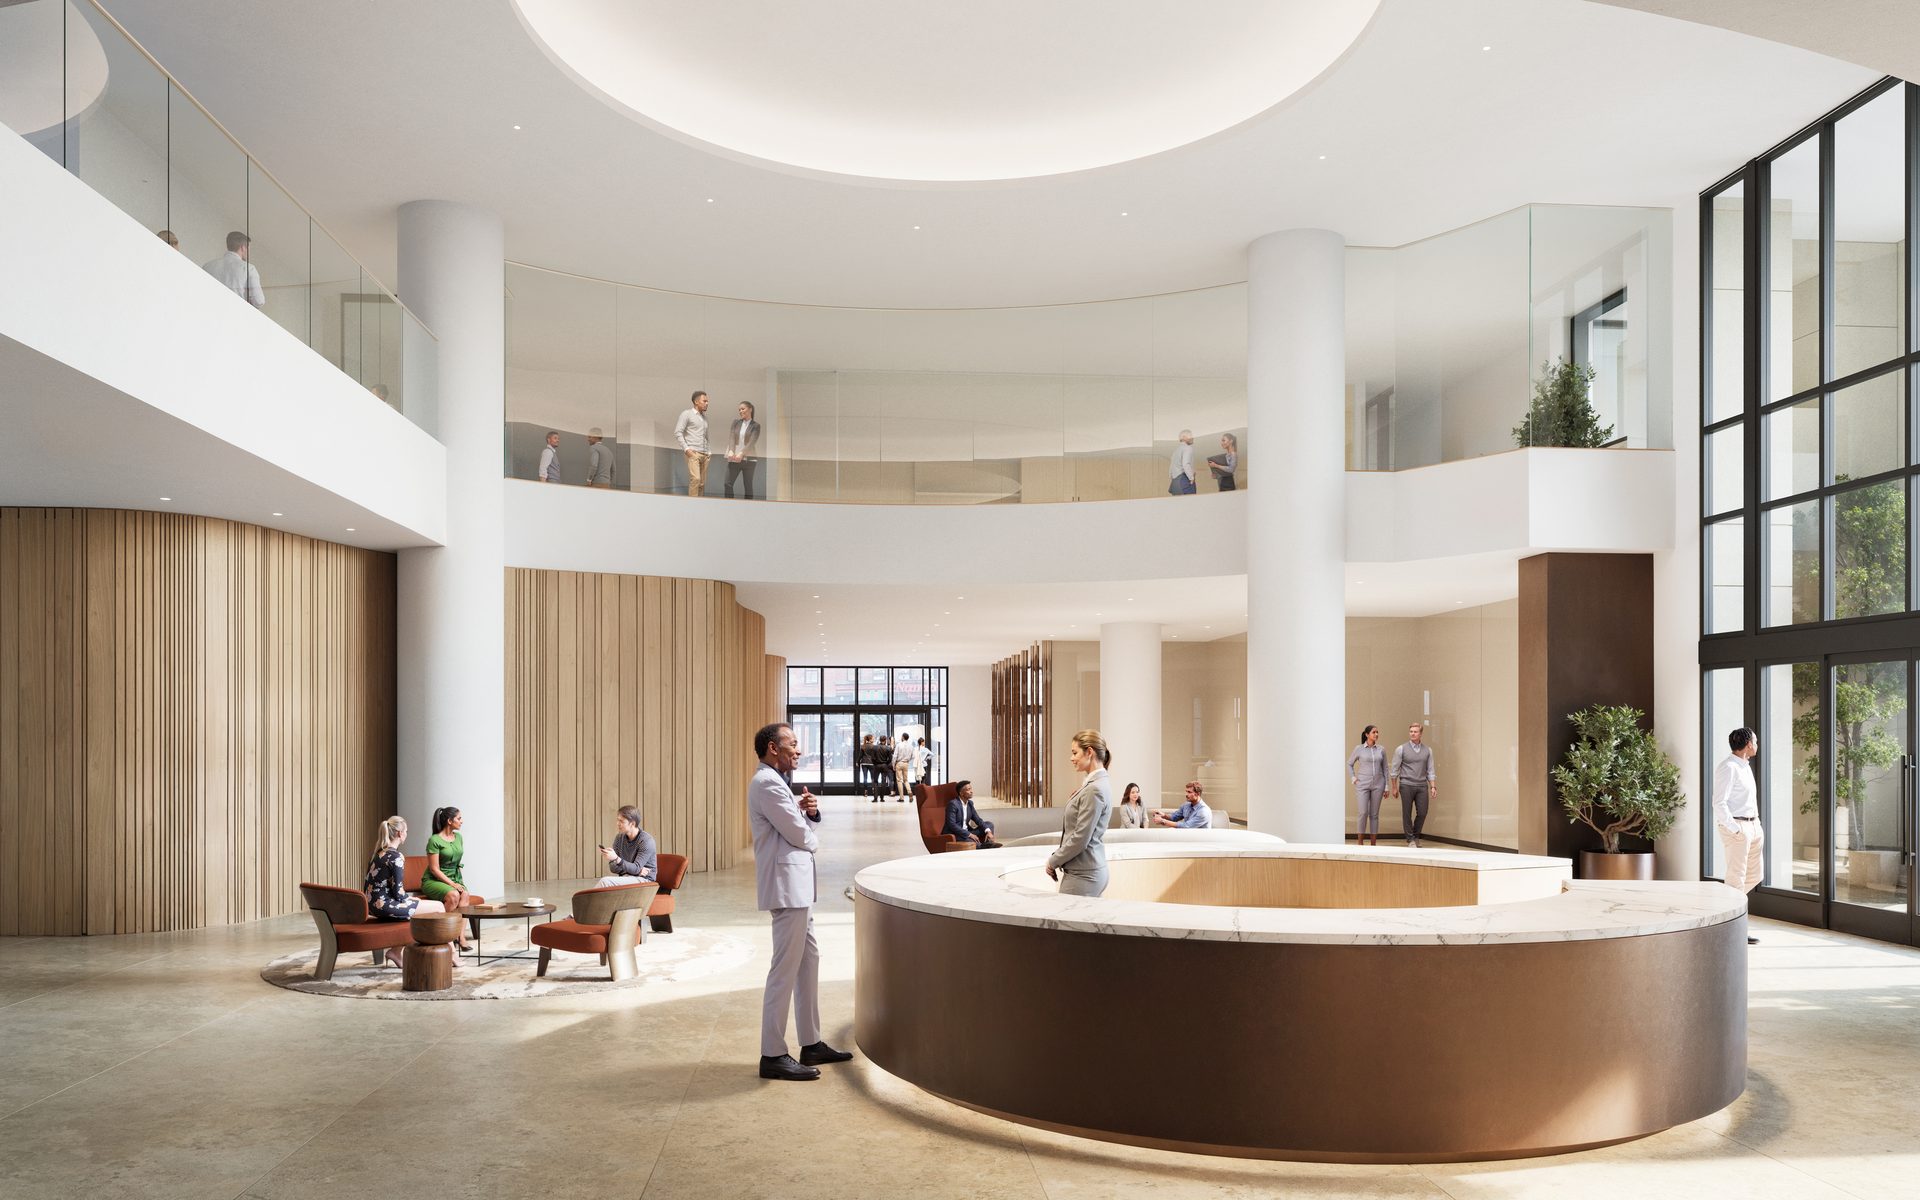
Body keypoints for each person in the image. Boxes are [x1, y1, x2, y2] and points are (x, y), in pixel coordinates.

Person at [749, 721, 852, 1081]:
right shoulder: (767, 784)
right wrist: (809, 829)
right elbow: (800, 836)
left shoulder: (776, 783)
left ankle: (811, 1042)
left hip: (797, 888)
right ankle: (773, 1054)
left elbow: (796, 825)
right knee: (784, 969)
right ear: (772, 748)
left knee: (809, 962)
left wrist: (808, 813)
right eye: (792, 743)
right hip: (787, 888)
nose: (799, 749)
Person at [363, 816, 452, 965]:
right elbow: (398, 892)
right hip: (385, 906)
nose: (406, 834)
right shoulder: (396, 856)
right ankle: (450, 954)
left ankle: (396, 952)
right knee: (439, 907)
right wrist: (410, 899)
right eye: (406, 831)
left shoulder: (379, 853)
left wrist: (409, 899)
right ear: (400, 833)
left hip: (373, 906)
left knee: (423, 907)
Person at [1712, 726, 1764, 946]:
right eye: (1756, 741)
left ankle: (1725, 907)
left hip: (1753, 826)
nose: (1757, 744)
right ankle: (1735, 930)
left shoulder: (1745, 766)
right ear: (1748, 744)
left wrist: (1756, 826)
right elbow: (1719, 802)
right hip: (1738, 827)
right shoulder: (1729, 767)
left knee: (1755, 875)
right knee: (1736, 879)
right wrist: (1735, 829)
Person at [1047, 729, 1113, 896]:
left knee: (1065, 914)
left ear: (1089, 752)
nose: (1071, 758)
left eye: (1075, 752)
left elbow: (1080, 838)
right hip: (1089, 871)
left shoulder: (1094, 789)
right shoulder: (1096, 784)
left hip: (1083, 875)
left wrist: (1054, 860)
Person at [1389, 723, 1437, 847]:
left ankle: (1415, 835)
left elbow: (1431, 770)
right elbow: (1394, 770)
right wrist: (1394, 787)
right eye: (1411, 731)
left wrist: (1433, 787)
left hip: (1422, 785)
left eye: (1415, 731)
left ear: (1420, 734)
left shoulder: (1428, 750)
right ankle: (1410, 839)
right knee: (1407, 813)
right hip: (1406, 785)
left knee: (1422, 812)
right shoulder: (1401, 749)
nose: (1412, 733)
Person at [420, 806, 474, 912]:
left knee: (465, 895)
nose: (461, 821)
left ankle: (460, 924)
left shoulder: (459, 837)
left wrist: (460, 883)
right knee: (454, 895)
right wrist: (453, 884)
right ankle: (442, 923)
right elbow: (434, 869)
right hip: (434, 880)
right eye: (459, 818)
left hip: (454, 879)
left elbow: (457, 864)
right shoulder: (434, 840)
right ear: (449, 821)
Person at [595, 804, 657, 887]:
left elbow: (634, 868)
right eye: (617, 820)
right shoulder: (619, 838)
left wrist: (616, 859)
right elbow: (613, 868)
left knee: (605, 881)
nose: (618, 823)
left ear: (632, 824)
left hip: (645, 880)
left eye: (621, 821)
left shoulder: (646, 841)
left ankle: (585, 896)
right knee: (606, 885)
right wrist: (636, 870)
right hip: (629, 877)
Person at [202, 230, 265, 309]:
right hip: (235, 312)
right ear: (243, 247)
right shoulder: (248, 268)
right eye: (248, 249)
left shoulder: (207, 266)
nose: (248, 252)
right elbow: (259, 301)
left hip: (209, 311)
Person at [1348, 724, 1387, 845]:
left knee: (1374, 814)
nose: (1376, 734)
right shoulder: (1359, 749)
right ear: (1367, 734)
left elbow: (1385, 768)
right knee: (1363, 812)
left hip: (1379, 784)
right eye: (1374, 732)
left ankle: (1373, 844)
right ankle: (1360, 843)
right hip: (1362, 785)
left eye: (1377, 732)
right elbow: (1349, 763)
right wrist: (1353, 778)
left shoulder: (1381, 749)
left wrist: (1386, 786)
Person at [676, 390, 712, 497]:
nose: (707, 403)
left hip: (705, 454)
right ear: (696, 402)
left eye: (707, 401)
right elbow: (678, 432)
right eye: (704, 401)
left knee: (701, 483)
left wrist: (709, 451)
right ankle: (691, 505)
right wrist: (686, 449)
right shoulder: (686, 414)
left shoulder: (705, 418)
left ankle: (699, 504)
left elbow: (705, 436)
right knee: (695, 479)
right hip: (693, 453)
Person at [943, 780, 999, 848]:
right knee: (973, 843)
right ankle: (983, 846)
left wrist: (988, 832)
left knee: (989, 825)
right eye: (968, 789)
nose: (971, 791)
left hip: (967, 831)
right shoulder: (953, 804)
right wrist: (969, 834)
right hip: (956, 834)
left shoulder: (970, 804)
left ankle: (988, 843)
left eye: (971, 789)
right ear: (961, 793)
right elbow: (952, 824)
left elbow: (978, 820)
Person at [725, 401, 761, 499]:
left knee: (748, 486)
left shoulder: (756, 426)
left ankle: (748, 506)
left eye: (743, 409)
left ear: (750, 409)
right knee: (727, 483)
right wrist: (731, 450)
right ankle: (729, 504)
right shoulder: (736, 422)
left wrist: (741, 453)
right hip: (734, 458)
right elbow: (732, 437)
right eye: (739, 410)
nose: (740, 411)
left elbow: (752, 442)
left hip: (749, 460)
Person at [1168, 428, 1196, 495]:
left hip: (1175, 483)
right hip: (1184, 481)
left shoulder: (1175, 451)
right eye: (1190, 436)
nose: (1192, 438)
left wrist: (1172, 478)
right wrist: (1191, 478)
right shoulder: (1187, 448)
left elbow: (1171, 468)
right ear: (1184, 437)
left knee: (1178, 501)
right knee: (1191, 500)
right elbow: (1185, 464)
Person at [891, 732, 914, 800]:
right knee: (906, 780)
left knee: (899, 780)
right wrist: (908, 760)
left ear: (903, 737)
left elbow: (895, 756)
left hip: (899, 763)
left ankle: (901, 797)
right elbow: (913, 756)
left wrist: (893, 765)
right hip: (906, 763)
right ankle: (909, 792)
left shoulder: (899, 745)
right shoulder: (911, 746)